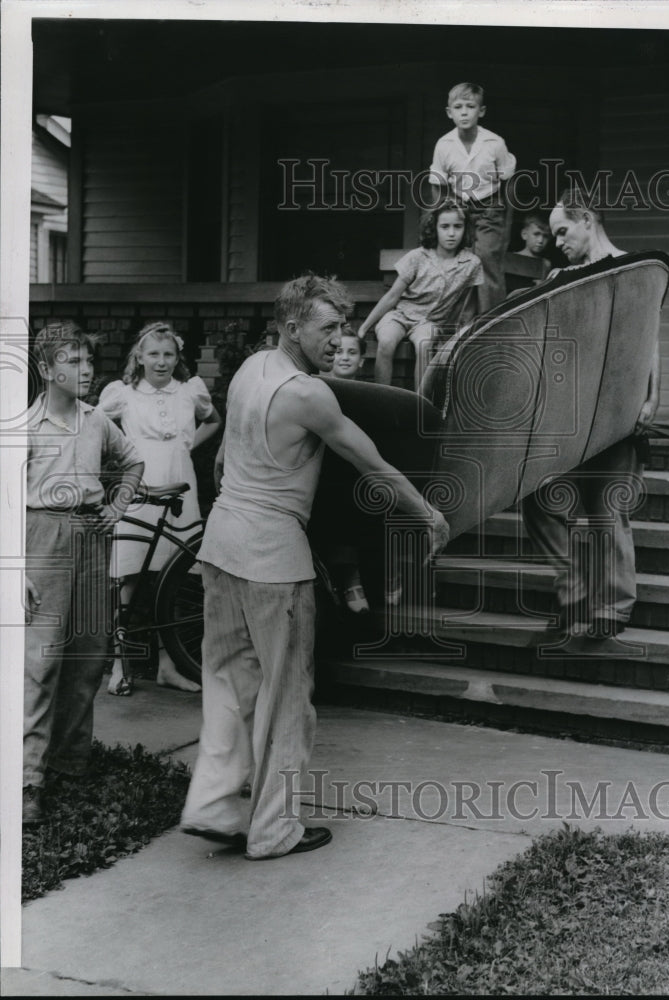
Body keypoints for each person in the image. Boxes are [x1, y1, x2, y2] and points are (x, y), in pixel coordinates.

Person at [180, 274, 450, 859]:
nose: (338, 339)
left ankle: (214, 807)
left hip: (221, 545)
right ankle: (274, 831)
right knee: (286, 697)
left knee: (228, 682)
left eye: (343, 328)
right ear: (292, 325)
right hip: (274, 557)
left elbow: (226, 457)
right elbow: (370, 461)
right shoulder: (308, 394)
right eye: (327, 328)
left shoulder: (251, 370)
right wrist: (426, 513)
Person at [521, 189, 660, 640]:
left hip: (620, 408)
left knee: (607, 508)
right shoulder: (562, 276)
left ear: (587, 219)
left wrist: (651, 398)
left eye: (563, 230)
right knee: (539, 497)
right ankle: (574, 591)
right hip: (572, 408)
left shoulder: (634, 268)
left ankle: (612, 607)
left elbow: (649, 338)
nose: (556, 240)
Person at [23, 322, 144, 825]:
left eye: (89, 361)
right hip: (42, 539)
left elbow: (132, 461)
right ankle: (27, 778)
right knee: (41, 662)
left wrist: (117, 504)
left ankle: (69, 763)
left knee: (89, 653)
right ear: (47, 369)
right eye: (73, 362)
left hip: (93, 537)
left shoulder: (97, 421)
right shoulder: (24, 427)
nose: (86, 369)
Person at [98, 322, 222, 694]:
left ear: (177, 357)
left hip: (179, 481)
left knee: (177, 577)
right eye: (153, 353)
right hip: (140, 485)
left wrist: (187, 445)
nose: (162, 361)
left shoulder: (189, 392)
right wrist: (125, 454)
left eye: (168, 354)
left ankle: (170, 665)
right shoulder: (123, 395)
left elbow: (215, 420)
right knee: (129, 577)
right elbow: (95, 426)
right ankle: (121, 665)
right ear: (139, 357)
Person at [358, 200, 483, 388]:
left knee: (424, 345)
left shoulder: (471, 264)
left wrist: (453, 335)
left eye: (458, 226)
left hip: (430, 322)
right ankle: (382, 397)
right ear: (434, 228)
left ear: (465, 229)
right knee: (386, 341)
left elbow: (467, 306)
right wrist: (364, 327)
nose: (451, 233)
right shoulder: (418, 257)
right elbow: (392, 296)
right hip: (400, 315)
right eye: (445, 226)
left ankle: (420, 403)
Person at [429, 82, 516, 313]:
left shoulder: (494, 143)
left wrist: (506, 226)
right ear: (450, 112)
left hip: (490, 208)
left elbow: (508, 182)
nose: (465, 112)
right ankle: (463, 327)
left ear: (481, 111)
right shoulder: (444, 145)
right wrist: (441, 217)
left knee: (487, 260)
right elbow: (437, 185)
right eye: (458, 107)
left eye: (470, 106)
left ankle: (493, 324)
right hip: (459, 209)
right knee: (462, 263)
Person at [325, 326, 369, 612]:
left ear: (362, 361)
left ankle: (353, 578)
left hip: (351, 471)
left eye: (352, 352)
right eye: (339, 351)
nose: (344, 357)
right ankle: (333, 582)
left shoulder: (368, 396)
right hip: (322, 469)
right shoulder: (319, 388)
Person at [517, 212, 552, 279]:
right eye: (536, 234)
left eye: (545, 236)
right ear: (524, 234)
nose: (540, 240)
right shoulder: (512, 258)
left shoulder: (546, 264)